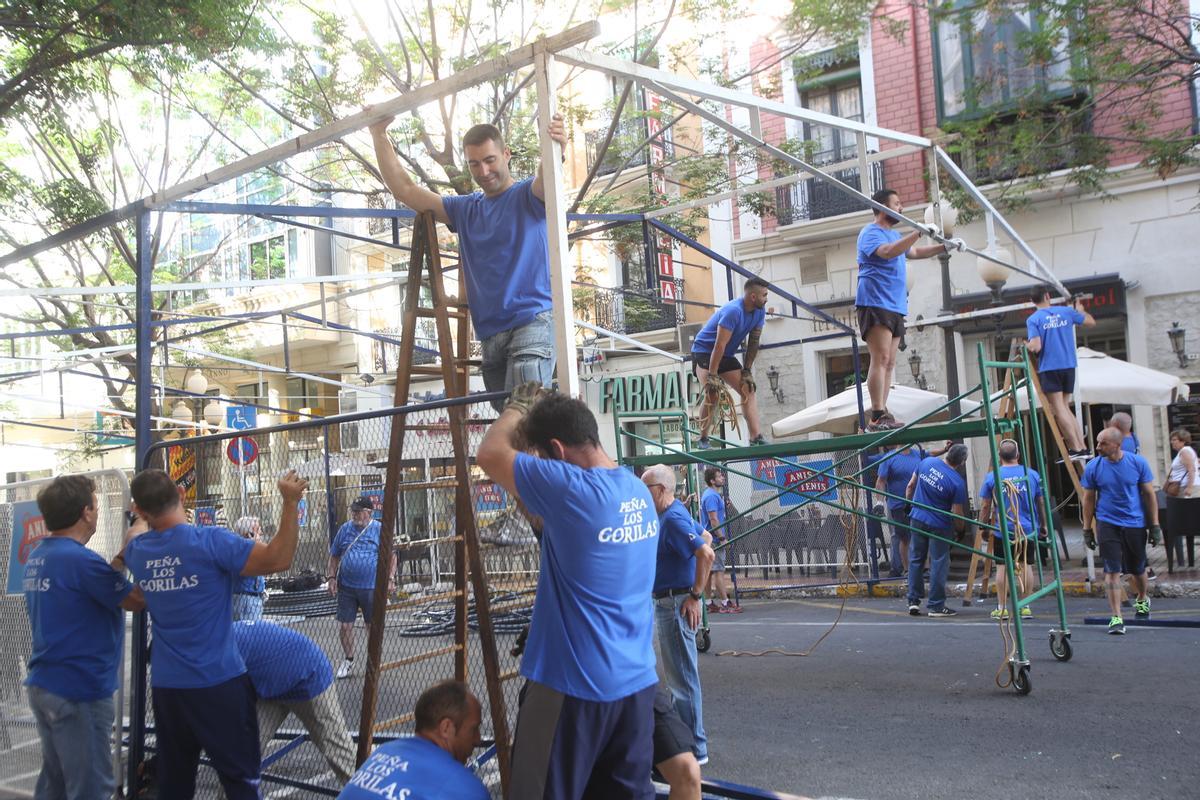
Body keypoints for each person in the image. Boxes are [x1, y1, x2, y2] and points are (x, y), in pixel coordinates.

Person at [476, 384, 658, 799]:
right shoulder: (637, 492)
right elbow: (546, 526)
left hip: (573, 687)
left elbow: (489, 455)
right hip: (634, 686)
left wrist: (517, 408)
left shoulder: (571, 489)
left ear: (556, 452)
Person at [124, 468, 307, 800]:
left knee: (175, 783)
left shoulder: (140, 551)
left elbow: (134, 551)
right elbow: (279, 559)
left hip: (168, 688)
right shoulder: (210, 541)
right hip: (217, 683)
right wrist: (290, 502)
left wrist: (138, 521)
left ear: (140, 510)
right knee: (240, 781)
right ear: (181, 496)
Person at [369, 112, 567, 410]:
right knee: (512, 427)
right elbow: (406, 190)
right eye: (474, 163)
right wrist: (378, 135)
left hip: (532, 322)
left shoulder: (528, 195)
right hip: (491, 334)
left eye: (490, 160)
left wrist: (555, 147)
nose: (483, 170)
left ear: (506, 154)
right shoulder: (466, 209)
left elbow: (546, 177)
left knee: (526, 421)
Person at [22, 474, 145, 800]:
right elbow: (136, 600)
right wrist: (144, 549)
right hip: (79, 690)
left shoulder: (40, 556)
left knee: (56, 784)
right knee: (91, 787)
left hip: (46, 683)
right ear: (86, 512)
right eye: (95, 504)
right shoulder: (80, 561)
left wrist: (122, 554)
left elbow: (99, 584)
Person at [855, 188, 963, 431]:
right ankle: (877, 413)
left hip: (895, 303)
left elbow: (912, 252)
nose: (901, 208)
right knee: (880, 357)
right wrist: (917, 232)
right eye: (897, 203)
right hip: (875, 301)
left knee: (891, 361)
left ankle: (883, 412)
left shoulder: (894, 234)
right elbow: (886, 253)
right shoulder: (870, 233)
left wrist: (944, 247)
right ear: (882, 208)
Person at [642, 464, 715, 766]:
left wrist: (695, 595)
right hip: (672, 601)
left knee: (682, 681)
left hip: (674, 603)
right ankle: (686, 747)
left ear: (659, 490)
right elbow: (706, 536)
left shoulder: (670, 518)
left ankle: (694, 751)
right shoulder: (673, 515)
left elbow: (706, 552)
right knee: (679, 679)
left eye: (645, 489)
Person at [231, 620, 356, 783]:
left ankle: (367, 792)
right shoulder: (215, 640)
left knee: (337, 748)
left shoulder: (223, 645)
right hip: (270, 686)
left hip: (307, 677)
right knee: (244, 754)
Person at [337, 680, 488, 800]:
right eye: (474, 729)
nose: (478, 739)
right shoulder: (464, 788)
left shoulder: (386, 750)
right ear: (446, 728)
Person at [1080, 427, 1161, 635]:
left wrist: (1154, 525)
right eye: (1098, 442)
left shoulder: (1137, 463)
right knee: (1112, 571)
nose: (1098, 447)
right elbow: (1088, 499)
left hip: (1134, 522)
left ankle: (1142, 598)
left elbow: (1149, 495)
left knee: (1137, 569)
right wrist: (1087, 528)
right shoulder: (1093, 467)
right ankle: (1116, 617)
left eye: (1103, 443)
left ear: (1117, 445)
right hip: (1107, 523)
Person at [690, 278, 770, 448]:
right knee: (712, 393)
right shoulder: (733, 311)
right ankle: (703, 438)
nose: (766, 299)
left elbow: (754, 342)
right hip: (704, 351)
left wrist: (747, 370)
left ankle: (755, 437)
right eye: (764, 295)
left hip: (724, 354)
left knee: (748, 389)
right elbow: (719, 344)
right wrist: (712, 375)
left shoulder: (759, 312)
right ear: (753, 297)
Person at [328, 496, 395, 679]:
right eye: (354, 511)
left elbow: (391, 556)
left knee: (371, 625)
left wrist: (390, 578)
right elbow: (334, 556)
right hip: (347, 586)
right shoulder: (345, 529)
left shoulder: (379, 529)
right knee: (345, 625)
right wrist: (331, 577)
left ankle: (374, 661)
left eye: (359, 511)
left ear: (369, 513)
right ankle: (349, 660)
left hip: (371, 587)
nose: (355, 515)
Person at [1025, 285, 1096, 457]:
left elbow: (1036, 346)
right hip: (1069, 365)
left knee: (1059, 408)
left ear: (1032, 301)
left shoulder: (1034, 319)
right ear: (1048, 296)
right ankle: (1082, 446)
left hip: (1050, 367)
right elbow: (1090, 322)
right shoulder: (1066, 312)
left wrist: (1026, 345)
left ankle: (1076, 448)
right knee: (1065, 407)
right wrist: (1080, 310)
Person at [977, 440, 1043, 620]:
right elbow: (1040, 502)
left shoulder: (993, 476)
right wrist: (1043, 524)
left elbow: (985, 506)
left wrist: (983, 527)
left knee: (1002, 567)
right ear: (1018, 455)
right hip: (1027, 528)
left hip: (1003, 529)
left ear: (999, 457)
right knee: (1026, 565)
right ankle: (1025, 606)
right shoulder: (1031, 474)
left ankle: (1002, 607)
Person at [904, 444, 969, 617]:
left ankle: (913, 601)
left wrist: (908, 505)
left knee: (916, 558)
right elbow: (957, 513)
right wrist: (961, 530)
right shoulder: (957, 482)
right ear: (962, 462)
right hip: (940, 525)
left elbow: (910, 486)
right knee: (939, 562)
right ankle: (936, 605)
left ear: (948, 454)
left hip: (917, 518)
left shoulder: (927, 462)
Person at [700, 467, 739, 613]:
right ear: (712, 481)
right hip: (715, 539)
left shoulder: (712, 495)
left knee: (710, 571)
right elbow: (713, 519)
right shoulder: (711, 496)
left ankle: (709, 603)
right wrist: (722, 538)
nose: (722, 478)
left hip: (709, 538)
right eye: (719, 476)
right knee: (718, 571)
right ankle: (725, 602)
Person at [1165, 428, 1199, 568]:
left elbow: (1191, 469)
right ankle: (1187, 558)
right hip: (1183, 489)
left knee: (1187, 524)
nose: (1172, 442)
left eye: (1174, 440)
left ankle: (1187, 558)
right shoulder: (1185, 452)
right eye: (1172, 439)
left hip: (1186, 490)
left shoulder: (1185, 451)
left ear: (1183, 441)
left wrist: (1189, 488)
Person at [232, 516, 266, 621]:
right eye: (259, 534)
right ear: (249, 535)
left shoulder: (238, 548)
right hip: (246, 600)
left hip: (252, 598)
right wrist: (254, 544)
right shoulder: (242, 550)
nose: (260, 537)